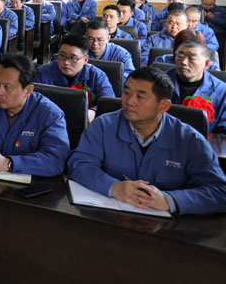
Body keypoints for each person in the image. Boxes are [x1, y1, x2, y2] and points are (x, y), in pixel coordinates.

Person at [67, 66, 226, 215]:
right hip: (110, 217)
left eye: (140, 97)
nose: (129, 101)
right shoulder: (103, 125)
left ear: (163, 106)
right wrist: (113, 187)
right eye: (126, 93)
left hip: (166, 226)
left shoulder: (189, 140)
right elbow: (79, 164)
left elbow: (219, 192)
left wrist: (170, 200)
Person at [34, 33, 115, 122]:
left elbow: (108, 104)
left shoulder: (97, 76)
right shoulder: (42, 73)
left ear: (85, 60)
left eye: (73, 58)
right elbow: (32, 101)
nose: (66, 63)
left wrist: (94, 111)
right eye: (62, 56)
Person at [164, 38, 226, 134]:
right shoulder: (159, 82)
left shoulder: (221, 91)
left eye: (192, 59)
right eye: (180, 56)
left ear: (206, 64)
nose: (184, 62)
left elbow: (223, 134)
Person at [151, 29, 220, 70]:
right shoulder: (162, 60)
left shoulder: (212, 67)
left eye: (192, 56)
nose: (184, 62)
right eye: (181, 54)